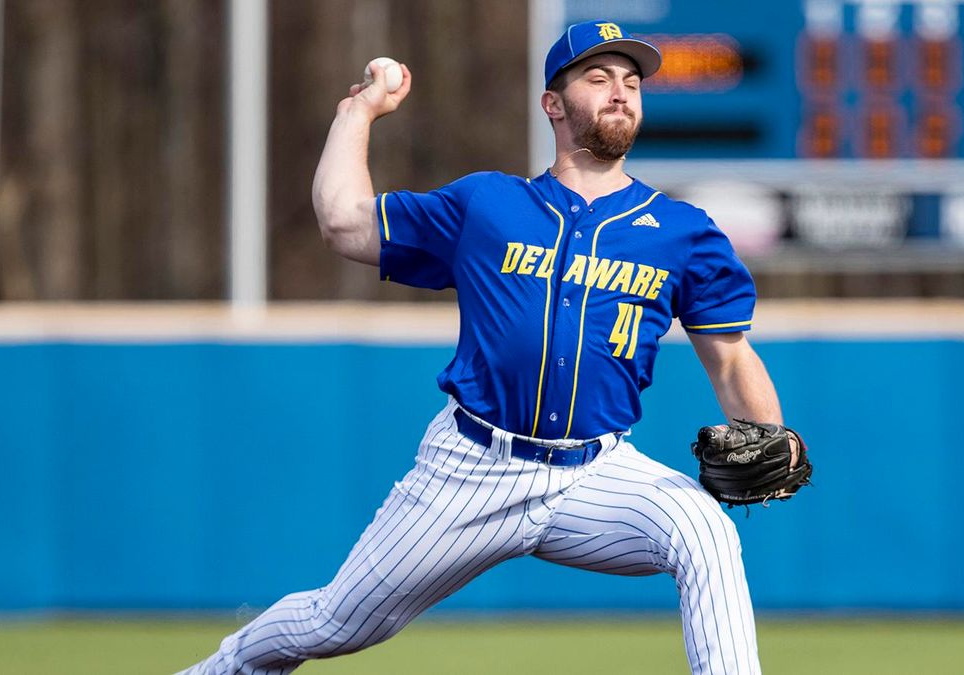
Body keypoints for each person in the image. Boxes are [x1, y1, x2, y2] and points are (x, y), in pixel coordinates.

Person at [181, 20, 795, 675]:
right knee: (337, 621)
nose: (620, 92)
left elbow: (729, 355)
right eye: (598, 77)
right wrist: (358, 112)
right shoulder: (489, 206)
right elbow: (343, 220)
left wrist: (776, 436)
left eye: (632, 81)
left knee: (704, 532)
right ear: (552, 104)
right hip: (471, 466)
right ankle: (223, 668)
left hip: (598, 470)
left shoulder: (683, 232)